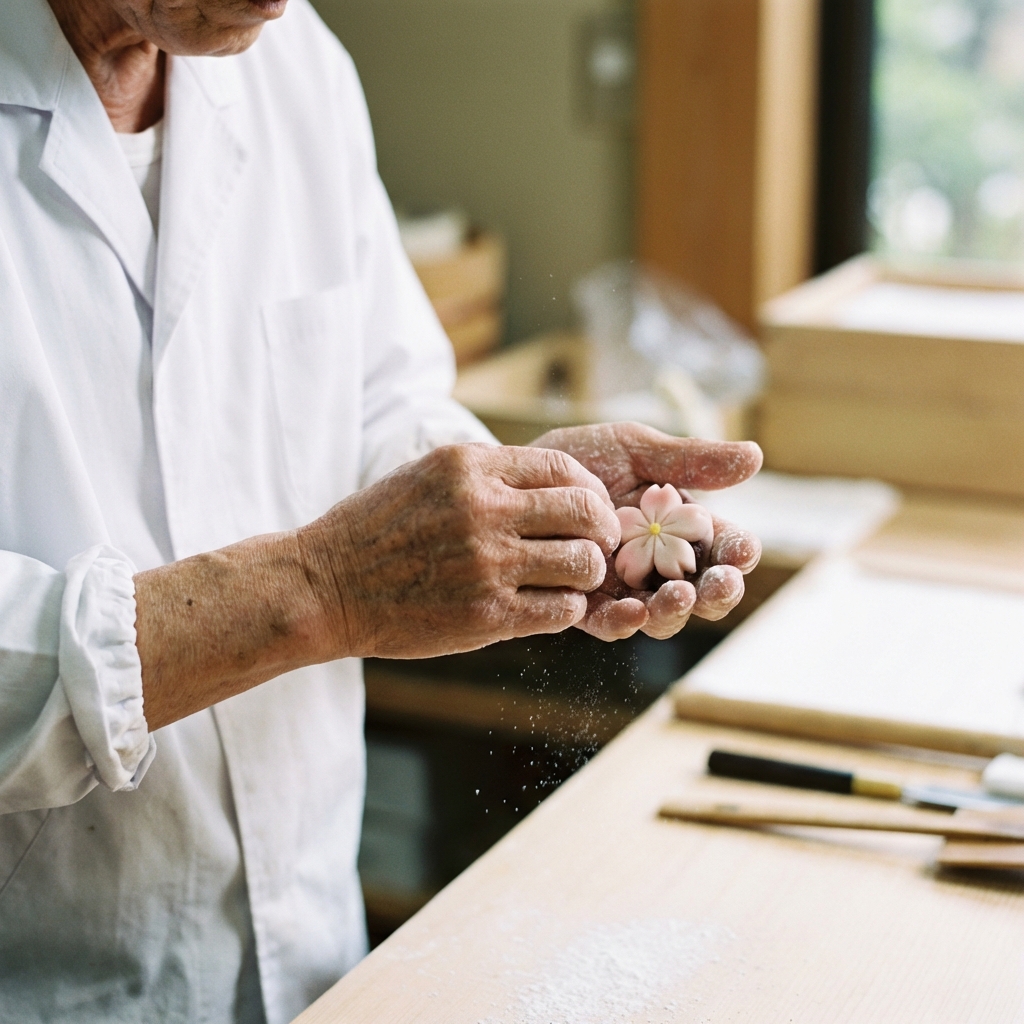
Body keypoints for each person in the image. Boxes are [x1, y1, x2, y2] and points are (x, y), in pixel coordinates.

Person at [0, 0, 763, 1020]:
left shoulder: (297, 64)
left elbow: (381, 402)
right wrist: (321, 591)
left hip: (309, 953)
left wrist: (524, 511)